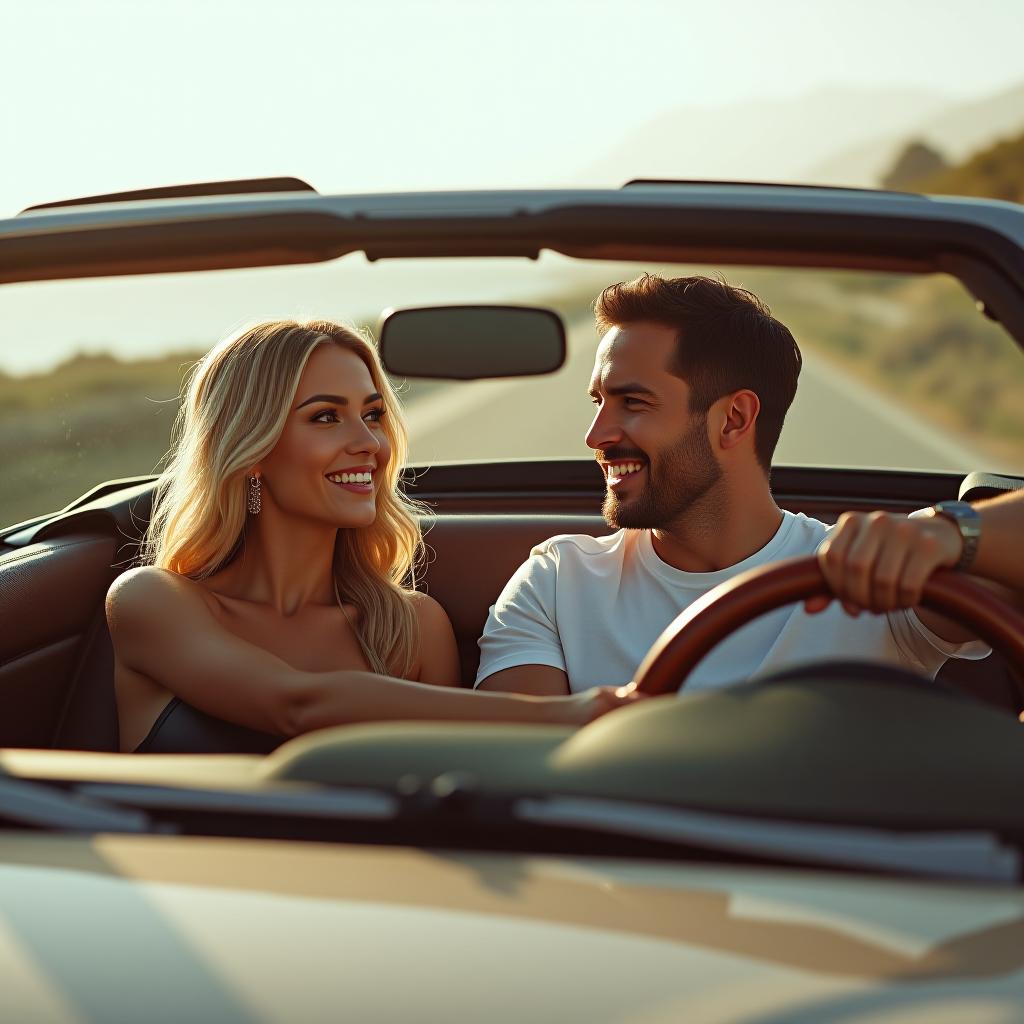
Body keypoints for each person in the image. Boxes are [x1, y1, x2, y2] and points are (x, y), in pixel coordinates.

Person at [476, 274, 1022, 698]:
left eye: (633, 402)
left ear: (734, 420)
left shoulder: (869, 576)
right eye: (599, 401)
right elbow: (516, 778)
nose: (596, 435)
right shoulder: (555, 580)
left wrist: (951, 533)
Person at [107, 319, 638, 753]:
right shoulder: (153, 600)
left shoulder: (411, 627)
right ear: (252, 451)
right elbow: (297, 705)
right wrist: (577, 714)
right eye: (325, 417)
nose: (369, 443)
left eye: (373, 414)